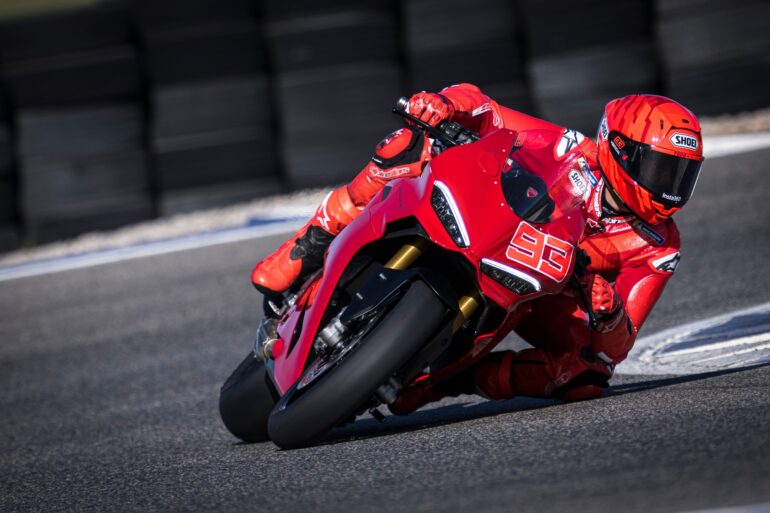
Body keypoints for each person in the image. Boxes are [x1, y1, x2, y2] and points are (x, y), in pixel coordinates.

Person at [251, 83, 704, 411]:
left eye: (682, 175)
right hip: (485, 228)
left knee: (588, 374)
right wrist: (445, 105)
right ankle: (308, 245)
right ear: (619, 148)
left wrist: (609, 314)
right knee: (409, 144)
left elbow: (616, 347)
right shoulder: (567, 148)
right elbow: (486, 109)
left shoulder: (659, 246)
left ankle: (451, 380)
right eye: (661, 170)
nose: (670, 189)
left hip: (538, 293)